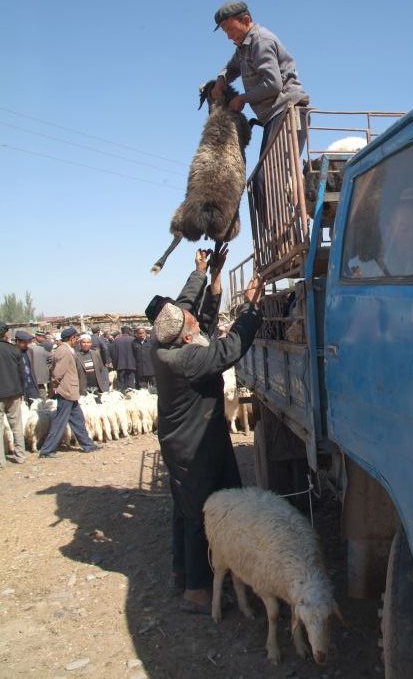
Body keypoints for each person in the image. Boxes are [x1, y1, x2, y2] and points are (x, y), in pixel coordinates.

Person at [149, 246, 263, 614]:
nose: (195, 319)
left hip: (184, 440)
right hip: (194, 445)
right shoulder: (189, 359)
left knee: (185, 510)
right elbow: (230, 348)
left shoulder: (164, 342)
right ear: (185, 337)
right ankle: (197, 591)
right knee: (201, 512)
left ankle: (184, 574)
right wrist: (252, 308)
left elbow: (184, 307)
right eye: (192, 323)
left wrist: (205, 272)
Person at [211, 1, 309, 229]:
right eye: (225, 32)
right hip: (274, 117)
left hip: (288, 112)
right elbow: (231, 67)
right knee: (260, 181)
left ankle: (284, 237)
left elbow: (273, 85)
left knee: (269, 179)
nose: (228, 36)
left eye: (230, 30)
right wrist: (221, 79)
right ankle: (278, 238)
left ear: (245, 21)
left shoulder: (261, 41)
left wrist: (242, 99)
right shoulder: (243, 47)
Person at [39, 327, 101, 458]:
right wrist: (54, 388)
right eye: (76, 338)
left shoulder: (66, 350)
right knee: (60, 421)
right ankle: (47, 450)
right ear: (71, 338)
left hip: (70, 392)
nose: (77, 341)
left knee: (78, 420)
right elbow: (58, 373)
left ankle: (88, 445)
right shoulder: (64, 351)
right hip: (66, 392)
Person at [0, 322, 26, 466]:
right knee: (16, 425)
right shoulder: (13, 350)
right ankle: (20, 455)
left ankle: (1, 460)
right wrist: (22, 391)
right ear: (5, 334)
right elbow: (21, 373)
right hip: (14, 393)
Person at [76, 333, 109, 397]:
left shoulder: (96, 354)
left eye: (88, 342)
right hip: (83, 387)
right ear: (80, 343)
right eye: (84, 342)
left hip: (96, 386)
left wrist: (105, 386)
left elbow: (101, 370)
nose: (86, 344)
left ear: (91, 343)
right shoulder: (76, 356)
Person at [15, 330, 41, 403]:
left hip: (32, 385)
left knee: (36, 407)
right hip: (20, 387)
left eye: (27, 342)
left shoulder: (29, 351)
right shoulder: (13, 352)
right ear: (17, 341)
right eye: (24, 343)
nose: (26, 345)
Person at [28, 332, 51, 399]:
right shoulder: (41, 348)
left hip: (28, 378)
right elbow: (51, 357)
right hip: (39, 378)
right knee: (42, 393)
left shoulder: (23, 349)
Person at [113, 326, 136, 392]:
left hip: (120, 365)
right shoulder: (133, 339)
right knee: (131, 381)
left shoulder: (116, 341)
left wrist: (115, 365)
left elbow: (114, 354)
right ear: (128, 331)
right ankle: (131, 396)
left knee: (121, 382)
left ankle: (121, 395)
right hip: (132, 364)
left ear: (121, 331)